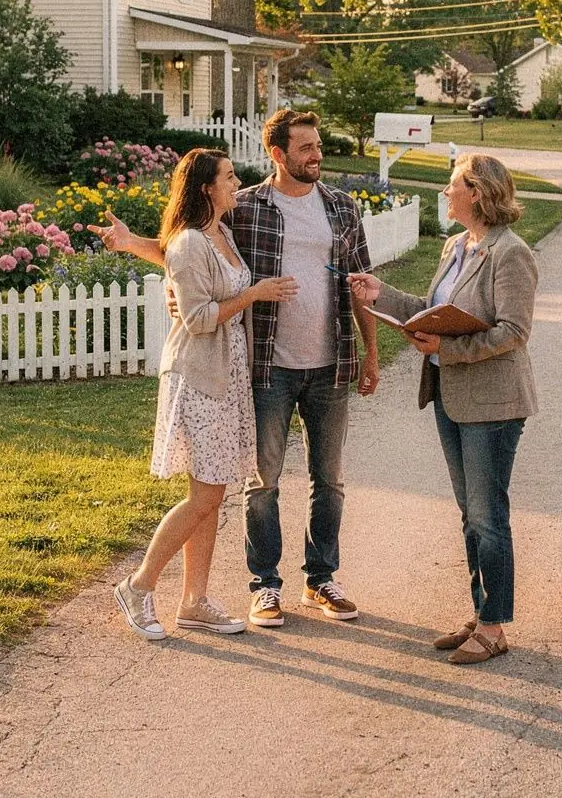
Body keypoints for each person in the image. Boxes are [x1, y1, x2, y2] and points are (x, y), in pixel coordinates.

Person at [91, 110, 379, 630]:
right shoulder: (244, 210)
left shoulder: (340, 207)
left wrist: (372, 352)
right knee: (257, 482)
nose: (316, 155)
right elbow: (185, 253)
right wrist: (153, 266)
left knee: (326, 481)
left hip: (330, 361)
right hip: (262, 367)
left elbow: (362, 282)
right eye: (307, 147)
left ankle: (316, 580)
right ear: (279, 153)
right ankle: (264, 586)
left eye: (318, 146)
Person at [349, 153, 538, 666]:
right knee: (469, 514)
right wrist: (381, 292)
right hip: (451, 397)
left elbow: (514, 332)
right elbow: (436, 310)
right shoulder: (458, 245)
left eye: (453, 185)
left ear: (476, 192)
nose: (446, 192)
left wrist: (445, 350)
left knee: (488, 516)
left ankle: (496, 625)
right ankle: (482, 613)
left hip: (494, 403)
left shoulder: (509, 252)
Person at [112, 148, 298, 641]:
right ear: (205, 188)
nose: (238, 182)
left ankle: (193, 602)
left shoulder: (221, 234)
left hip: (227, 374)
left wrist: (133, 243)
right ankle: (138, 585)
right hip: (199, 376)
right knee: (206, 494)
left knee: (213, 495)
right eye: (230, 176)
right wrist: (254, 295)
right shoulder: (194, 242)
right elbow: (196, 319)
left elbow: (173, 257)